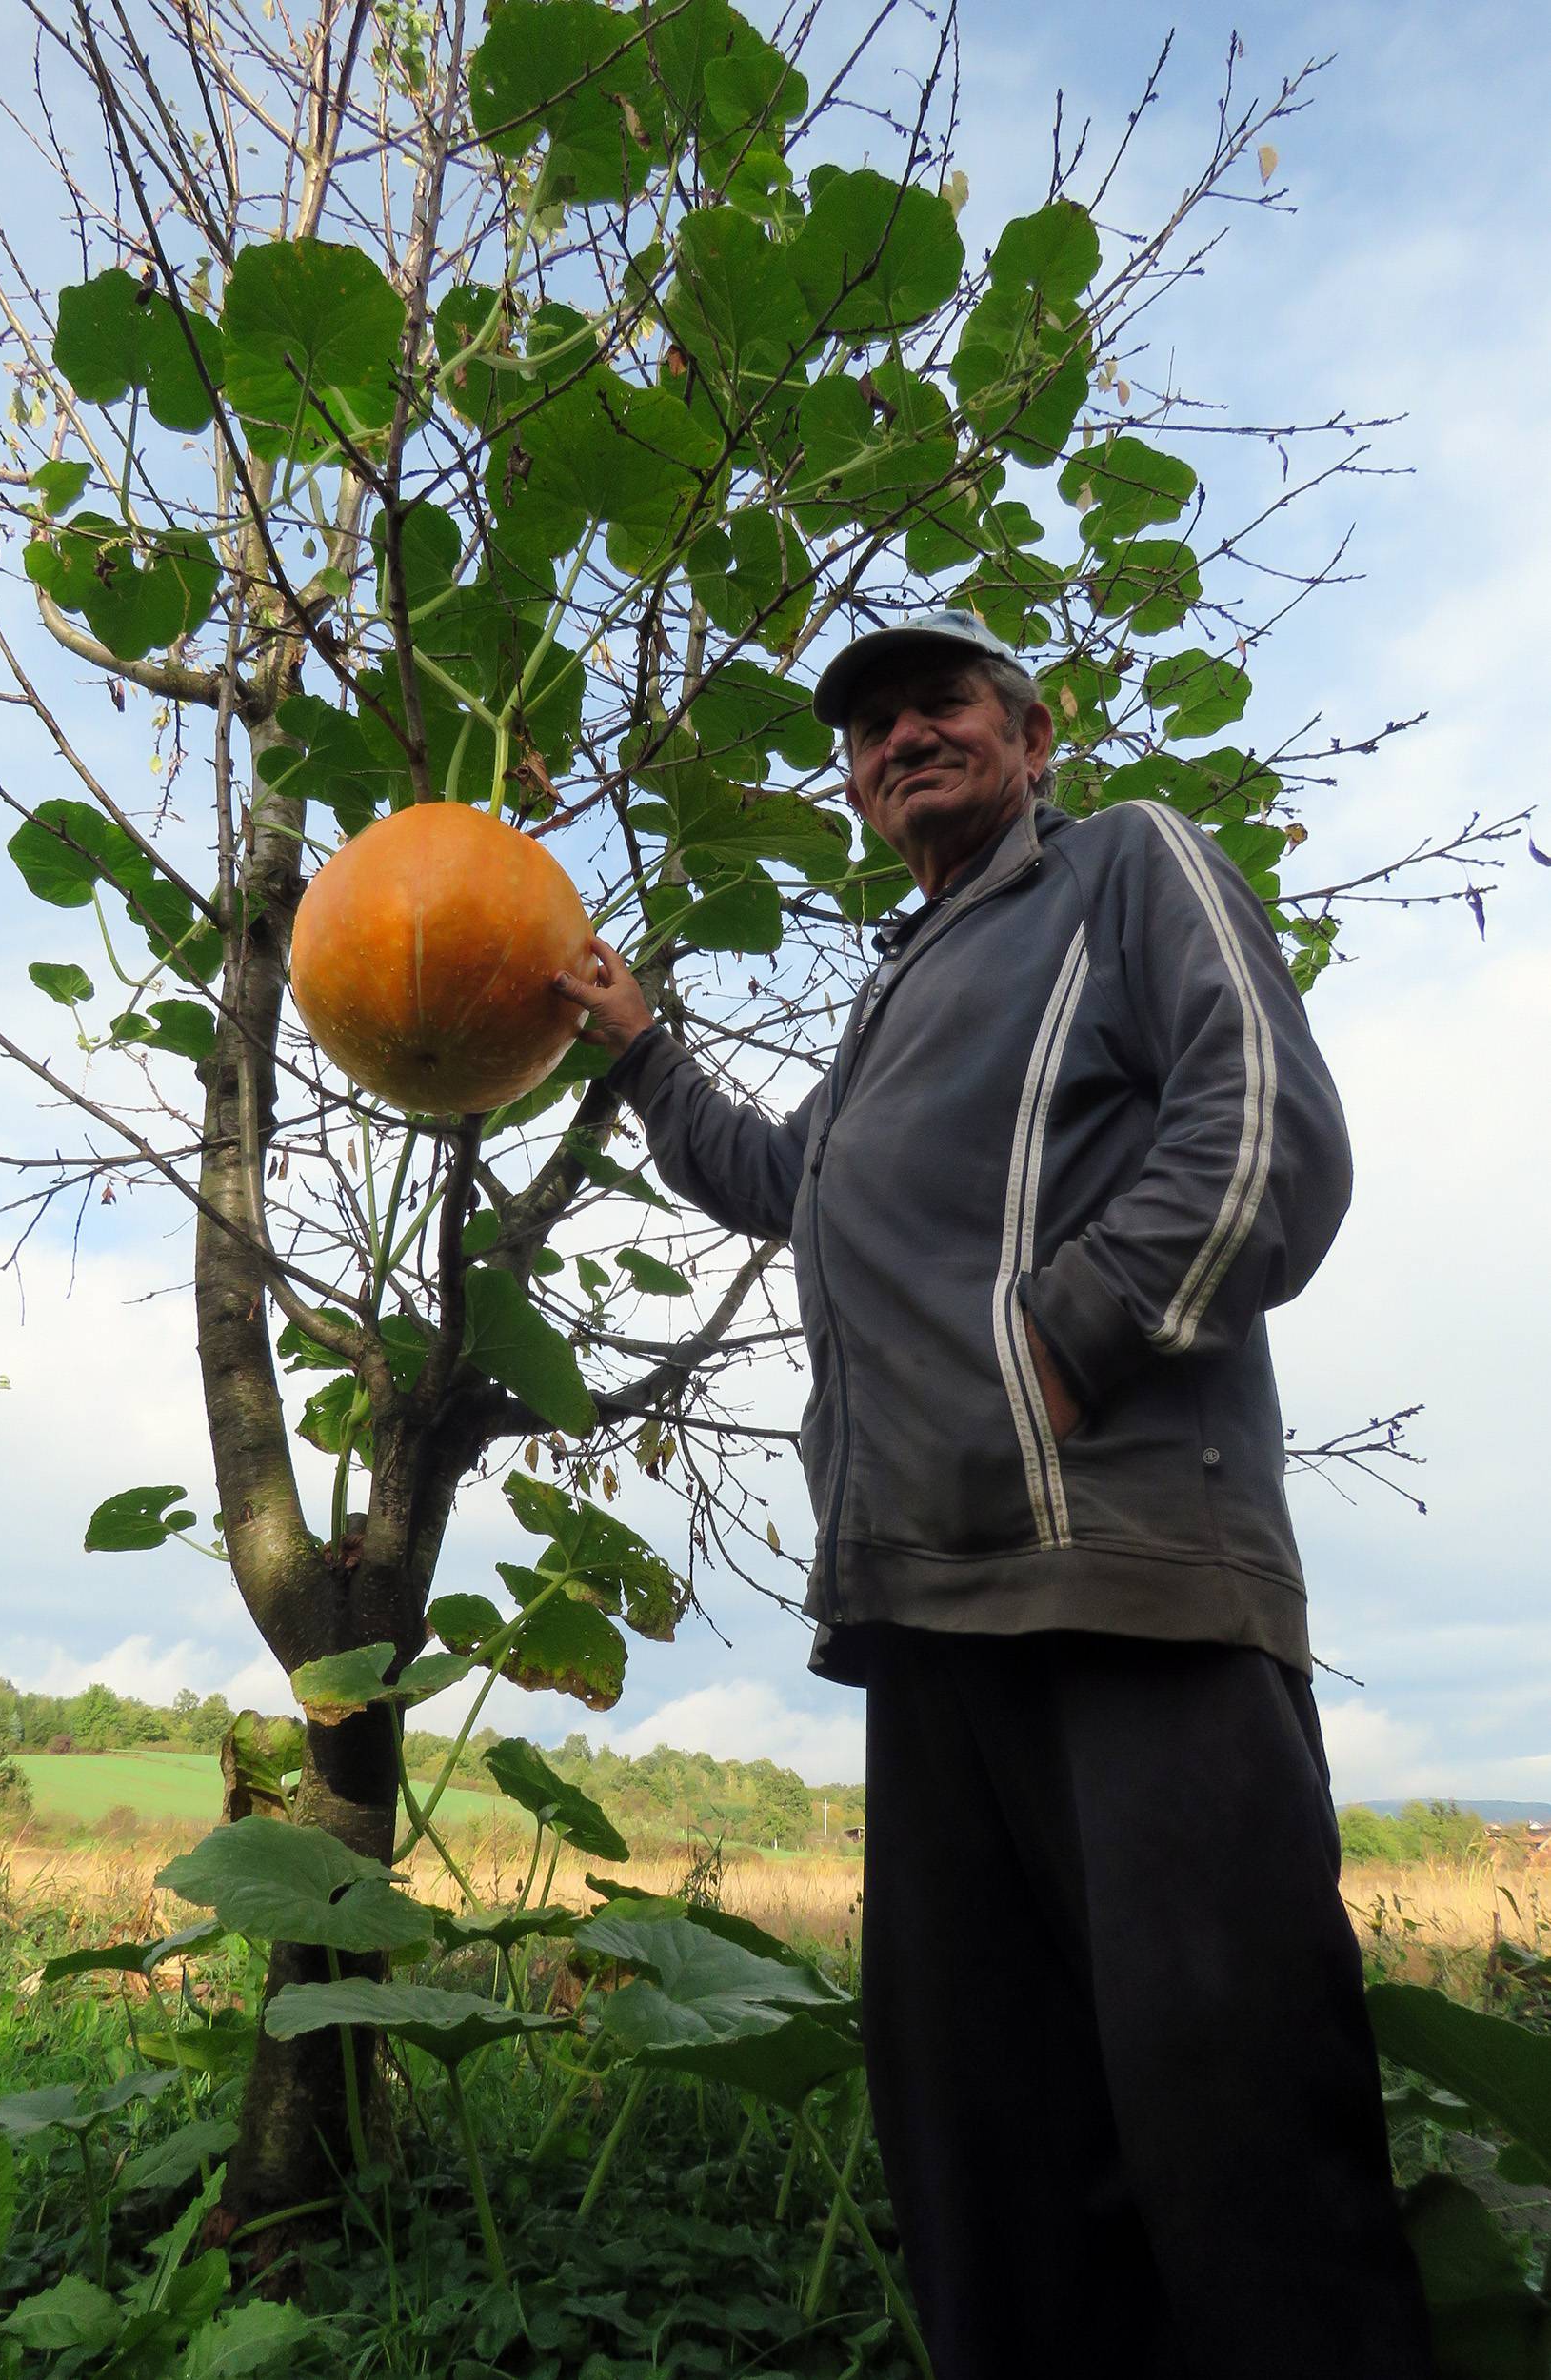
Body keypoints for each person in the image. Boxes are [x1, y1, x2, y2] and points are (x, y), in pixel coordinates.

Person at [552, 608, 1436, 2379]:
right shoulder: (895, 990)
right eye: (869, 727)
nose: (901, 738)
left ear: (1032, 737)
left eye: (940, 702)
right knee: (991, 2165)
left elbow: (1266, 1120)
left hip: (1132, 1588)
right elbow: (796, 1184)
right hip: (925, 1609)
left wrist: (1075, 1330)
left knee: (1239, 2139)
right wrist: (642, 1052)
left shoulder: (1123, 870)